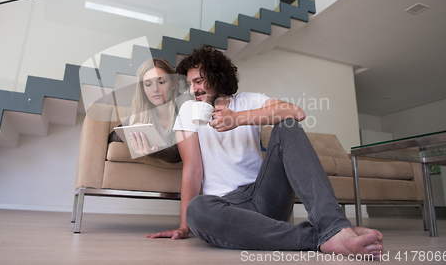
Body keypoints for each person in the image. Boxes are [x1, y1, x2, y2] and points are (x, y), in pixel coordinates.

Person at [146, 46, 384, 260]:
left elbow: (296, 112)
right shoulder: (189, 110)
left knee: (287, 124)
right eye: (190, 84)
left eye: (198, 81)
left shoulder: (249, 101)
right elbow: (193, 168)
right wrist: (184, 226)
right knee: (198, 209)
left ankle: (333, 225)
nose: (194, 89)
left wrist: (238, 119)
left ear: (216, 76)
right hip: (226, 206)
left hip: (264, 195)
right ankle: (327, 236)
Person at [108, 58, 183, 163]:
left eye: (161, 82)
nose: (155, 89)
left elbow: (179, 153)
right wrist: (131, 131)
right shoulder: (143, 113)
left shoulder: (184, 110)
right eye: (148, 84)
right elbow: (112, 137)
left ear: (174, 84)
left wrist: (155, 151)